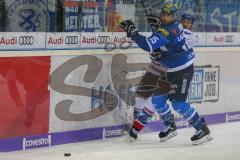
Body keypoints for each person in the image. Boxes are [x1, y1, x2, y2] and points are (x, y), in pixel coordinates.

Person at [120, 2, 212, 145]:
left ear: (174, 16)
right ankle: (170, 126)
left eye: (168, 15)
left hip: (183, 71)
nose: (165, 16)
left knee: (178, 104)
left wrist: (133, 33)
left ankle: (202, 129)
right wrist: (159, 52)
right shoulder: (171, 27)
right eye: (163, 13)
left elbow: (148, 45)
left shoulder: (168, 30)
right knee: (157, 100)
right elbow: (166, 46)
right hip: (169, 69)